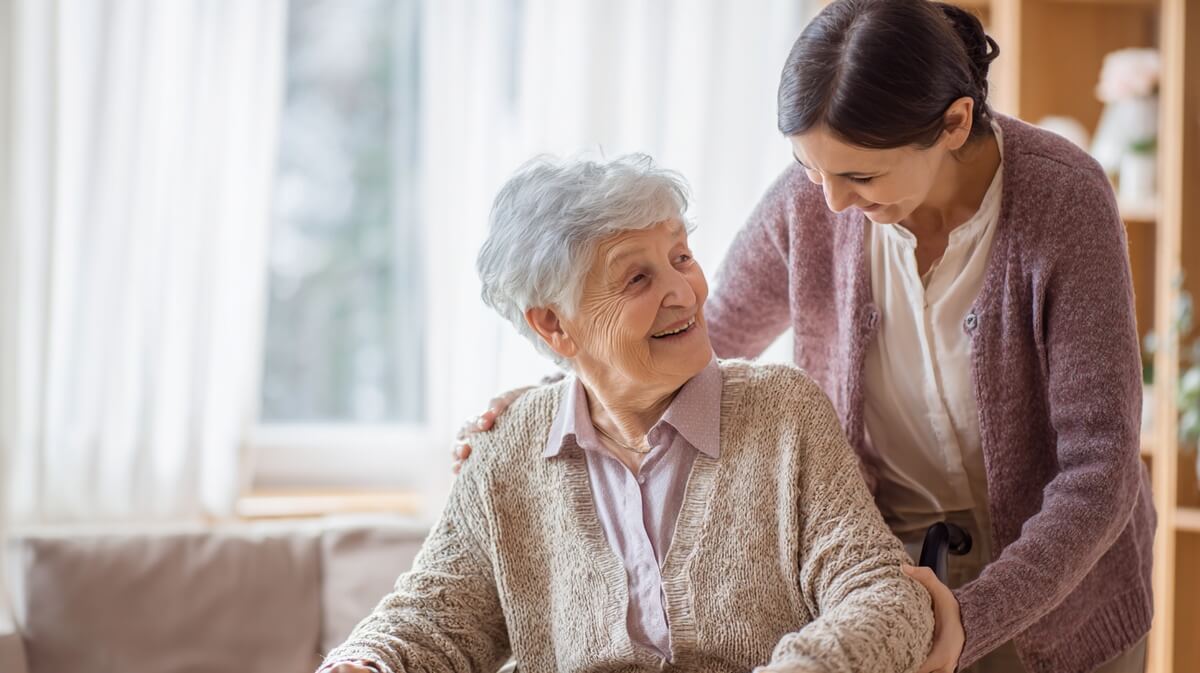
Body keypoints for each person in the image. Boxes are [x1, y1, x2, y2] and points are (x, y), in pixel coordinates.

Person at [453, 2, 1155, 672]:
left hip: (1061, 587)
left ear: (954, 123)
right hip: (887, 581)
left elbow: (1101, 467)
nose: (832, 202)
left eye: (860, 175)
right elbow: (699, 329)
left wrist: (974, 615)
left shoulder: (1063, 197)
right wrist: (562, 390)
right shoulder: (814, 201)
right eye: (809, 169)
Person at [319, 155, 934, 673]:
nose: (685, 292)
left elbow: (884, 595)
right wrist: (365, 663)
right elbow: (432, 622)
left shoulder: (784, 414)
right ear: (554, 324)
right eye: (637, 278)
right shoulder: (506, 451)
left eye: (681, 257)